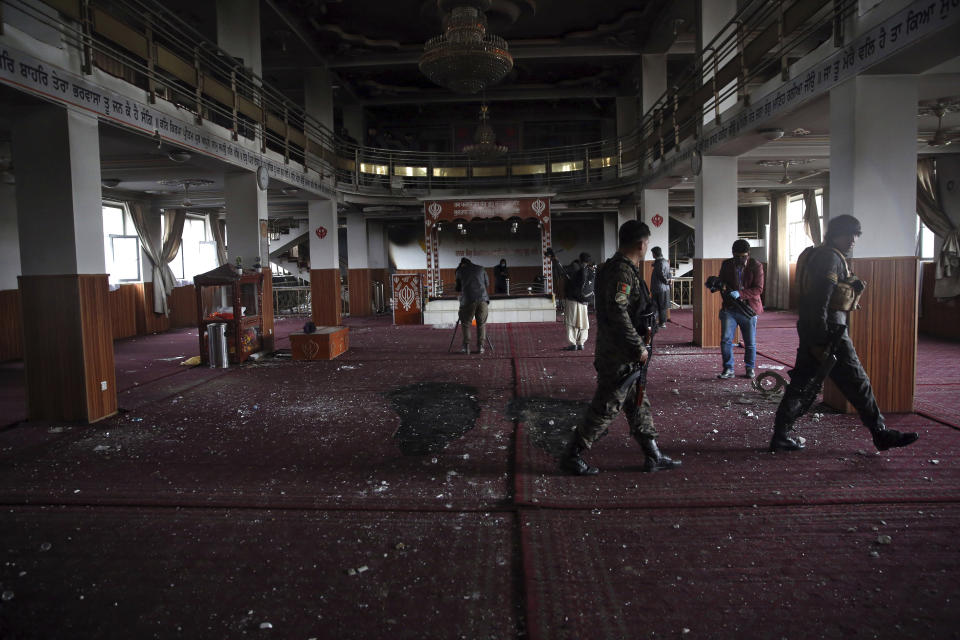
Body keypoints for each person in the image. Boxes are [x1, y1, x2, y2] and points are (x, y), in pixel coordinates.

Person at [768, 215, 919, 453]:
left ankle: (781, 434)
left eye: (855, 235)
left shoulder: (820, 254)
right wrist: (823, 339)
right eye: (848, 234)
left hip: (813, 329)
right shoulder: (830, 258)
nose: (852, 240)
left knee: (801, 383)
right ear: (835, 234)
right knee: (858, 383)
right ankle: (880, 433)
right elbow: (821, 300)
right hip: (829, 332)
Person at [559, 221, 681, 475]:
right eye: (647, 243)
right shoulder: (622, 272)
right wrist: (638, 347)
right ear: (641, 243)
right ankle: (572, 454)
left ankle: (652, 454)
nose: (647, 247)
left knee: (638, 402)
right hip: (619, 353)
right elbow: (618, 313)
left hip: (624, 351)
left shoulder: (619, 268)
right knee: (607, 405)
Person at [717, 239, 764, 379]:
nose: (740, 259)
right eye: (737, 256)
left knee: (749, 342)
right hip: (730, 309)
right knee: (726, 340)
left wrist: (741, 294)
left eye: (743, 256)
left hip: (749, 309)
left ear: (748, 254)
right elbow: (722, 283)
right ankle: (728, 369)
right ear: (732, 254)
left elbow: (759, 288)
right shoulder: (726, 264)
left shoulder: (756, 265)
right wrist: (718, 285)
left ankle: (750, 368)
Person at [559, 252, 594, 351]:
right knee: (583, 322)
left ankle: (573, 343)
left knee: (571, 322)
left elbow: (564, 276)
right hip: (584, 302)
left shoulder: (574, 268)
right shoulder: (591, 271)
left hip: (572, 300)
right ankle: (581, 343)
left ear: (579, 259)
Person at [455, 258, 489, 354]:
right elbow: (487, 284)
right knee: (481, 323)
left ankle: (466, 347)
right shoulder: (481, 268)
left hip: (468, 300)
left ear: (462, 264)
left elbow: (457, 288)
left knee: (466, 323)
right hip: (483, 299)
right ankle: (481, 347)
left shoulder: (460, 270)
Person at [650, 246, 672, 329]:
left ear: (655, 254)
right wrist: (669, 281)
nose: (652, 255)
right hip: (663, 288)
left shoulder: (660, 263)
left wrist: (667, 281)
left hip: (659, 288)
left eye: (652, 253)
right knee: (661, 305)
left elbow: (661, 275)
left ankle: (661, 323)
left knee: (657, 306)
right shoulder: (665, 261)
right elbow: (669, 274)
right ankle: (660, 322)